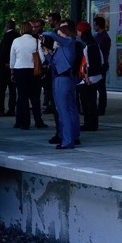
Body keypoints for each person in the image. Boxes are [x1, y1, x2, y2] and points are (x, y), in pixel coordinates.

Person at [41, 21, 80, 149]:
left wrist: (43, 34)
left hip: (61, 80)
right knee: (69, 109)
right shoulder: (64, 46)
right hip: (65, 78)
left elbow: (54, 36)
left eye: (60, 33)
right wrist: (47, 55)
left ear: (64, 33)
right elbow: (54, 63)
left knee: (63, 111)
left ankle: (67, 141)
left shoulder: (68, 42)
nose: (57, 37)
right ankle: (73, 136)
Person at [10, 20, 47, 130]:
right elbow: (42, 58)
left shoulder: (16, 41)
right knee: (35, 98)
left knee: (22, 97)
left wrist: (12, 72)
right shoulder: (36, 41)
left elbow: (12, 58)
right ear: (31, 30)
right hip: (33, 71)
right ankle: (38, 121)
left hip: (19, 70)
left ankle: (22, 122)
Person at [76, 21, 104, 131]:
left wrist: (86, 77)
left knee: (87, 102)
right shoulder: (94, 43)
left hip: (89, 77)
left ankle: (89, 124)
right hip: (96, 76)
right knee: (91, 102)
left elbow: (86, 62)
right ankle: (93, 124)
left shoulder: (87, 45)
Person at [0, 19, 18, 117]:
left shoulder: (7, 37)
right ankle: (11, 109)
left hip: (5, 67)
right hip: (13, 67)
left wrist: (6, 62)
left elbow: (4, 50)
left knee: (1, 89)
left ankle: (0, 109)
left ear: (7, 27)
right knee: (12, 90)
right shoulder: (17, 36)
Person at [93, 16, 111, 115]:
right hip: (100, 63)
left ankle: (101, 108)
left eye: (94, 24)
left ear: (98, 25)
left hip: (101, 63)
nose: (93, 26)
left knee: (100, 87)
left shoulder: (103, 37)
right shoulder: (99, 36)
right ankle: (99, 107)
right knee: (99, 87)